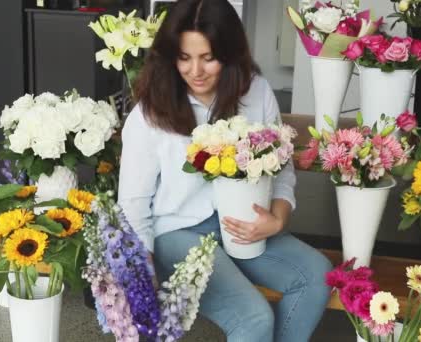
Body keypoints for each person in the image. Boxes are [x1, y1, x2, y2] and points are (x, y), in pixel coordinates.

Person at [118, 0, 332, 341]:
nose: (195, 71)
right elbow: (133, 204)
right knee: (253, 319)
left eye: (208, 58)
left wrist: (277, 218)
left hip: (243, 226)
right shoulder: (149, 113)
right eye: (184, 58)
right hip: (176, 233)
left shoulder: (256, 91)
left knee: (316, 276)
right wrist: (142, 275)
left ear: (230, 55)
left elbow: (283, 168)